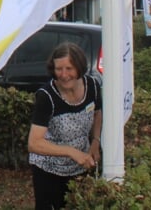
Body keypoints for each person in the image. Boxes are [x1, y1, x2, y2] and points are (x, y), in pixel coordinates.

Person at [27, 42, 102, 210]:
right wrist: (71, 152)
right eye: (58, 69)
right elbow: (34, 143)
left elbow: (97, 113)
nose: (63, 74)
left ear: (80, 67)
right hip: (48, 169)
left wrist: (95, 142)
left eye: (69, 68)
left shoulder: (93, 87)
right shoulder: (46, 96)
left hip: (79, 167)